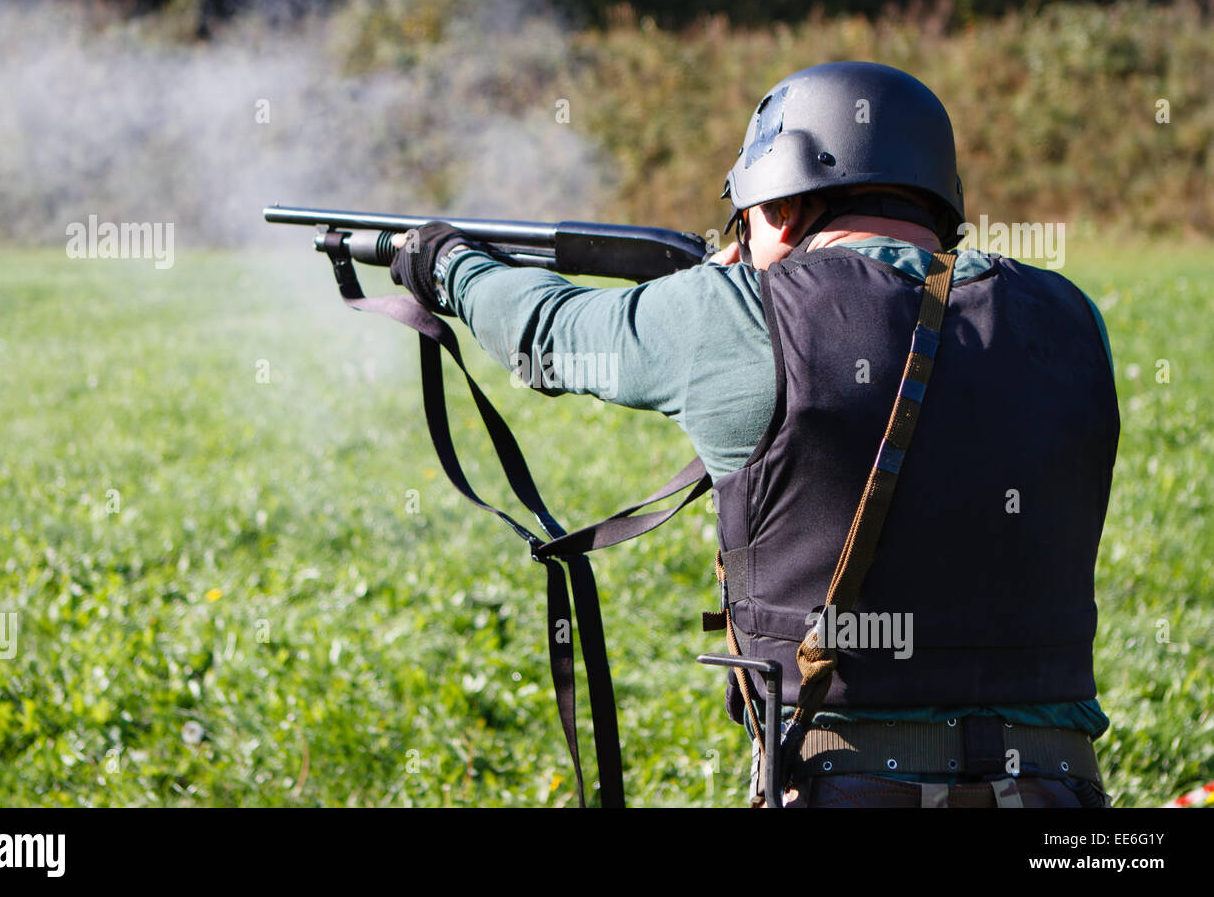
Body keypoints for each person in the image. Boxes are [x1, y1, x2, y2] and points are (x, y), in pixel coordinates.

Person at [389, 61, 1120, 808]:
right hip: (1064, 795)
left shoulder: (744, 315)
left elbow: (547, 332)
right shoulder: (1071, 318)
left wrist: (445, 262)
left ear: (782, 205)